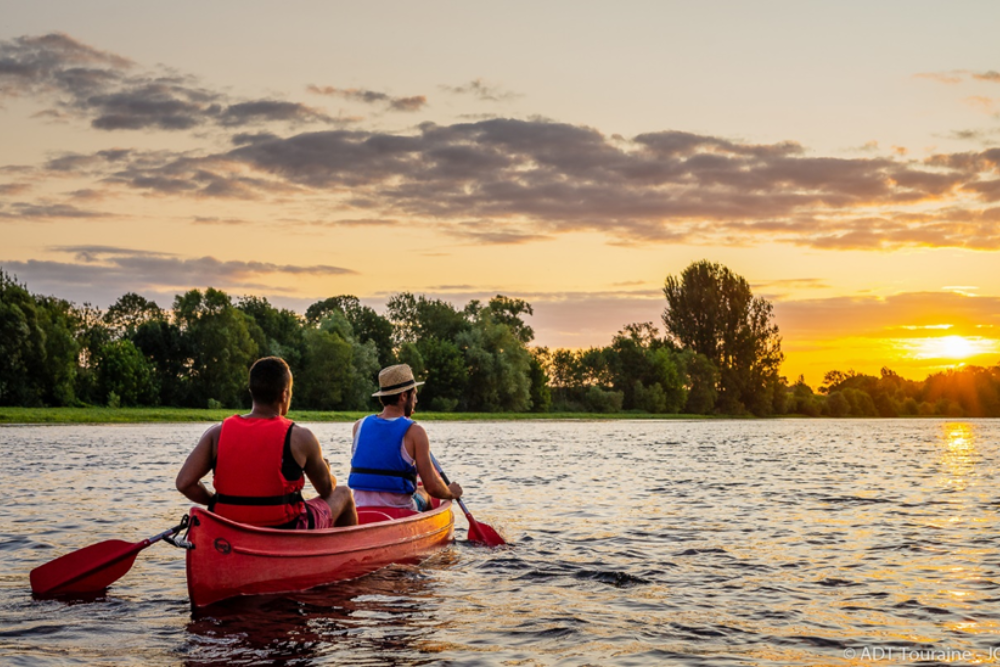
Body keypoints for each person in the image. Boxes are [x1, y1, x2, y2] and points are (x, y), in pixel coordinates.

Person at [176, 356, 357, 529]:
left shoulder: (217, 433)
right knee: (343, 493)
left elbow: (184, 483)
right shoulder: (301, 437)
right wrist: (328, 473)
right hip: (286, 529)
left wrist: (214, 500)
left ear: (252, 393)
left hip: (230, 526)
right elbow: (326, 490)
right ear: (284, 394)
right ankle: (343, 556)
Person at [349, 364, 462, 511]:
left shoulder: (359, 426)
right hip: (400, 511)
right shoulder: (415, 432)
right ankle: (425, 527)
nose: (415, 401)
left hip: (361, 510)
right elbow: (433, 487)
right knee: (424, 493)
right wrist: (450, 492)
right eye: (414, 394)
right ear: (403, 396)